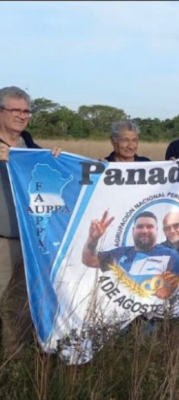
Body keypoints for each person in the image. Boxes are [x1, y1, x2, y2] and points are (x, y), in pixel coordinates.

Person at [0, 86, 61, 355]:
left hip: (28, 241)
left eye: (26, 111)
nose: (22, 116)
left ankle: (14, 361)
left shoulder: (30, 147)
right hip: (1, 240)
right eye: (16, 110)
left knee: (19, 305)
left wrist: (56, 161)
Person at [82, 211, 179, 300]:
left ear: (157, 230)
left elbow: (173, 294)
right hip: (120, 318)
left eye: (149, 227)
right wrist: (92, 239)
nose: (144, 231)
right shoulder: (120, 254)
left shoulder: (171, 256)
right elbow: (89, 260)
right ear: (133, 230)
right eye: (140, 227)